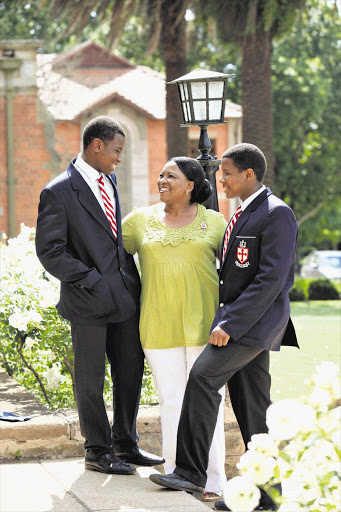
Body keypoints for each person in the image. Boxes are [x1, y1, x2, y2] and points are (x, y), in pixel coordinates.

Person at [149, 143, 299, 511]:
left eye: (227, 172)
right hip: (245, 324)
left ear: (249, 175)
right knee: (254, 411)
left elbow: (271, 280)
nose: (221, 179)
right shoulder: (244, 213)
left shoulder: (276, 214)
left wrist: (229, 324)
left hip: (252, 326)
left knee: (202, 377)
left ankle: (189, 472)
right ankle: (266, 496)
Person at [35, 115, 163, 475]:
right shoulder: (58, 191)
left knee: (130, 371)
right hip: (87, 300)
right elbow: (50, 251)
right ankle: (97, 451)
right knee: (91, 380)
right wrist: (90, 279)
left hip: (124, 298)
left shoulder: (110, 180)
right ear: (97, 146)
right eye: (116, 151)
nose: (119, 158)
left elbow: (111, 238)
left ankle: (125, 443)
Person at [122, 157, 228, 501]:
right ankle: (175, 474)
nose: (161, 179)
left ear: (191, 185)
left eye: (171, 175)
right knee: (171, 403)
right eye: (161, 174)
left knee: (208, 404)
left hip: (207, 330)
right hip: (157, 326)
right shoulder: (139, 221)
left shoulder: (215, 222)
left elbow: (236, 274)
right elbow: (108, 254)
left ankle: (213, 481)